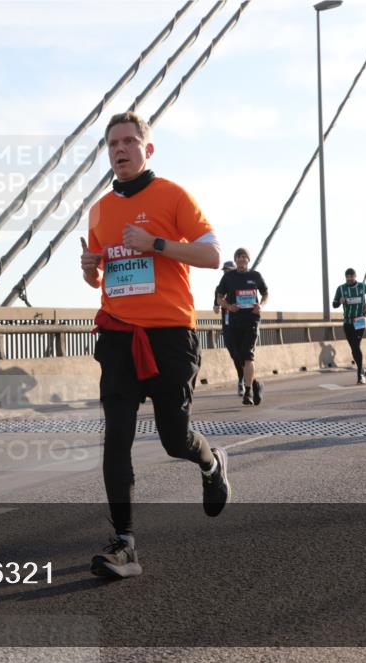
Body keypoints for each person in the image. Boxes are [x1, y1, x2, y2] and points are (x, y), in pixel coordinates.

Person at [80, 111, 230, 579]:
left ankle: (210, 463)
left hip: (170, 336)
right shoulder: (100, 209)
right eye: (112, 144)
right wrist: (90, 269)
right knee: (116, 438)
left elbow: (211, 254)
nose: (119, 150)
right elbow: (102, 275)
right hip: (119, 335)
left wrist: (156, 243)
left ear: (148, 148)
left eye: (128, 141)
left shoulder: (173, 196)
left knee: (173, 439)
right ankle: (124, 544)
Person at [216, 248, 269, 406]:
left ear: (248, 260)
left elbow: (266, 293)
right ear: (235, 260)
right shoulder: (228, 277)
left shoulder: (255, 276)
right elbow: (219, 298)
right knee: (236, 355)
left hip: (251, 320)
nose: (241, 260)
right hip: (233, 322)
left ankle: (248, 392)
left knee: (247, 355)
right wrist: (228, 306)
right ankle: (255, 384)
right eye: (238, 257)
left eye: (244, 257)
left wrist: (261, 305)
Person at [332, 268, 366, 385]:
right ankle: (362, 369)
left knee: (356, 345)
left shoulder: (362, 286)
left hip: (360, 320)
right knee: (354, 349)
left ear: (355, 276)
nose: (350, 279)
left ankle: (360, 376)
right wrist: (340, 301)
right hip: (347, 322)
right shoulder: (341, 288)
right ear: (345, 277)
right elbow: (334, 304)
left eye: (352, 277)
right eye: (348, 277)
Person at [214, 260, 244, 396]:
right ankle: (243, 378)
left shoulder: (240, 287)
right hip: (227, 326)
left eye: (229, 271)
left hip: (241, 325)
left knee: (242, 355)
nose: (226, 273)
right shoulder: (219, 289)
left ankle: (243, 381)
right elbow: (215, 308)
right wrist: (219, 304)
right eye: (225, 271)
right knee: (234, 354)